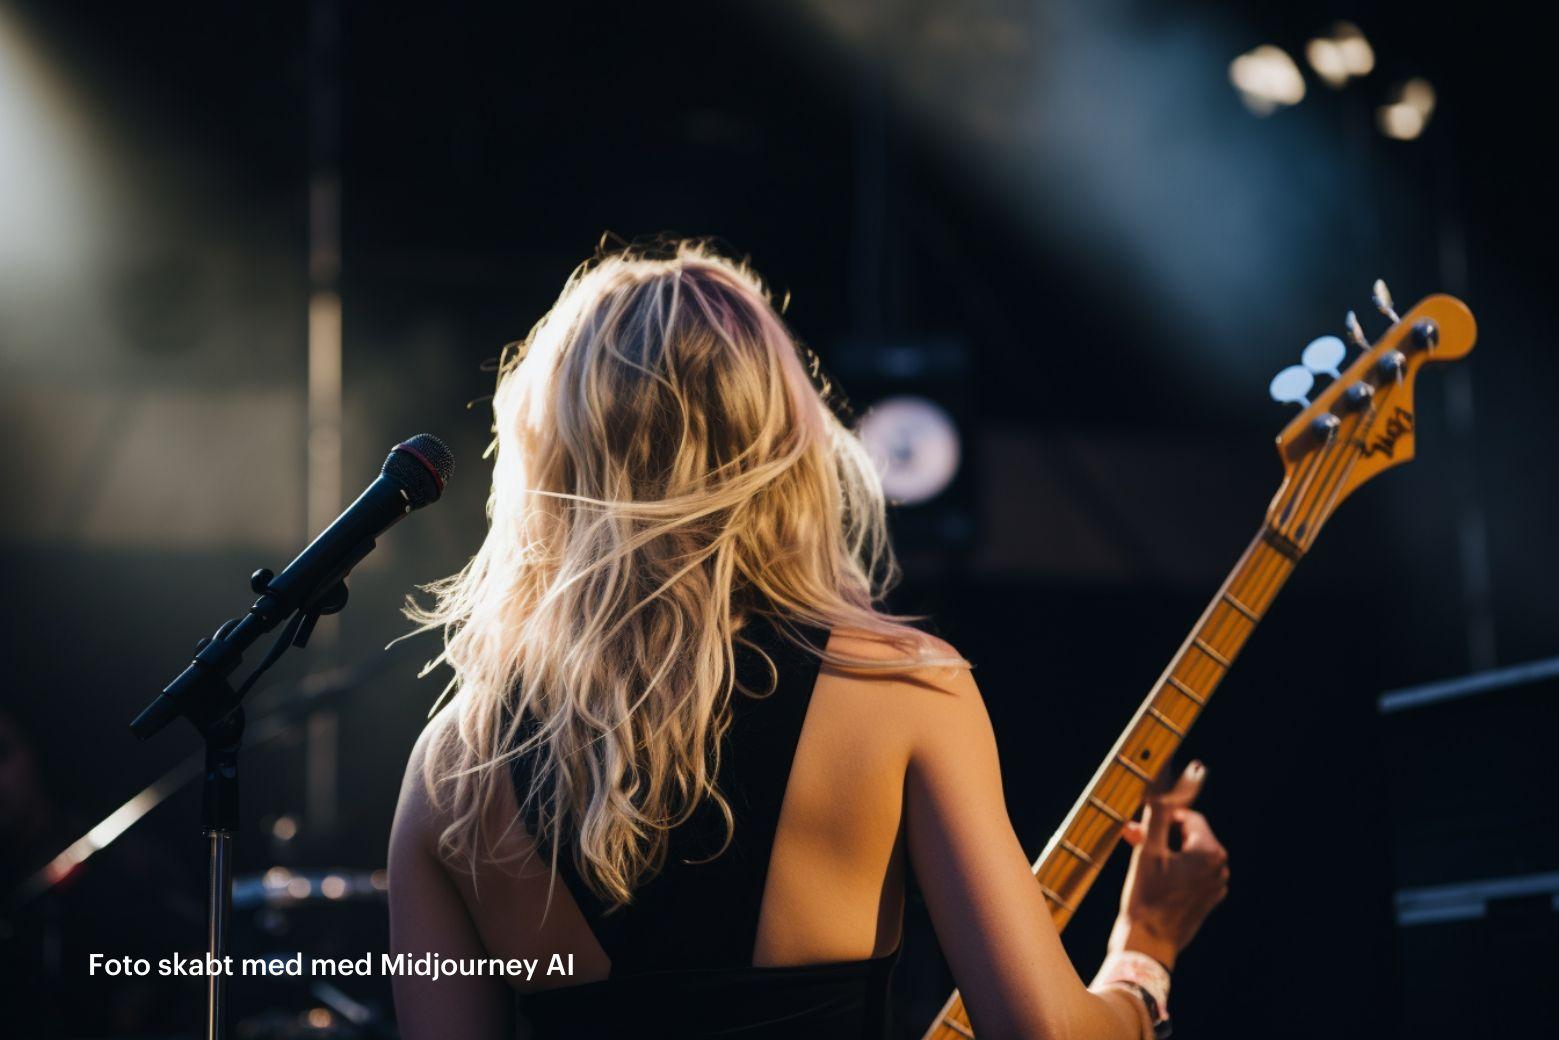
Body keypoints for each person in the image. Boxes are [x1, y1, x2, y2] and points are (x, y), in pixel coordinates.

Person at [388, 240, 1229, 1039]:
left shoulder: (451, 769)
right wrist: (1144, 953)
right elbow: (1039, 1030)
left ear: (549, 465)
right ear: (783, 446)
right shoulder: (902, 692)